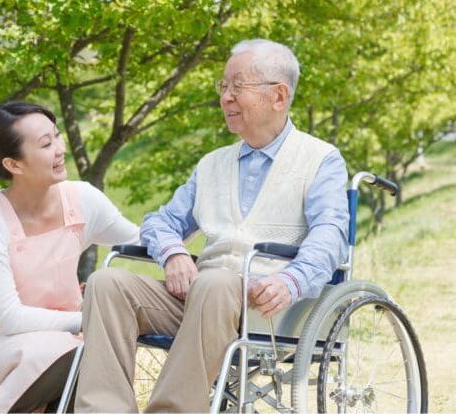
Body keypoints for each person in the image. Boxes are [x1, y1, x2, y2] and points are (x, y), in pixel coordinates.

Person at [75, 39, 350, 412]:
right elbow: (160, 222)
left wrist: (292, 280)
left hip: (271, 307)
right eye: (224, 87)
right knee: (107, 284)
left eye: (238, 87)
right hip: (202, 299)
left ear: (279, 96)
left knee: (216, 281)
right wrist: (172, 253)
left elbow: (331, 235)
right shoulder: (212, 164)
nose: (226, 98)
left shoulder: (320, 160)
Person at [0, 102, 139, 413]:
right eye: (46, 144)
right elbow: (9, 318)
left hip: (66, 341)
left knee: (91, 361)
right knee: (76, 353)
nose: (59, 149)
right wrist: (89, 320)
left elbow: (139, 241)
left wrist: (187, 234)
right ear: (14, 164)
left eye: (57, 136)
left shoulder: (82, 199)